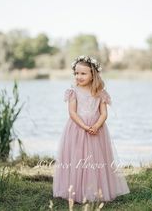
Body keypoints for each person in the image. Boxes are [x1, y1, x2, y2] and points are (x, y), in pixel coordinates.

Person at [52, 55, 130, 203]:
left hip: (97, 129)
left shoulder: (100, 93)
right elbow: (72, 113)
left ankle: (95, 190)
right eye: (76, 73)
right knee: (77, 158)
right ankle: (75, 190)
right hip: (77, 128)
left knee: (96, 159)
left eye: (83, 73)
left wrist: (96, 126)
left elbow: (104, 113)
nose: (78, 76)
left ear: (92, 74)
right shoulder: (73, 91)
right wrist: (85, 127)